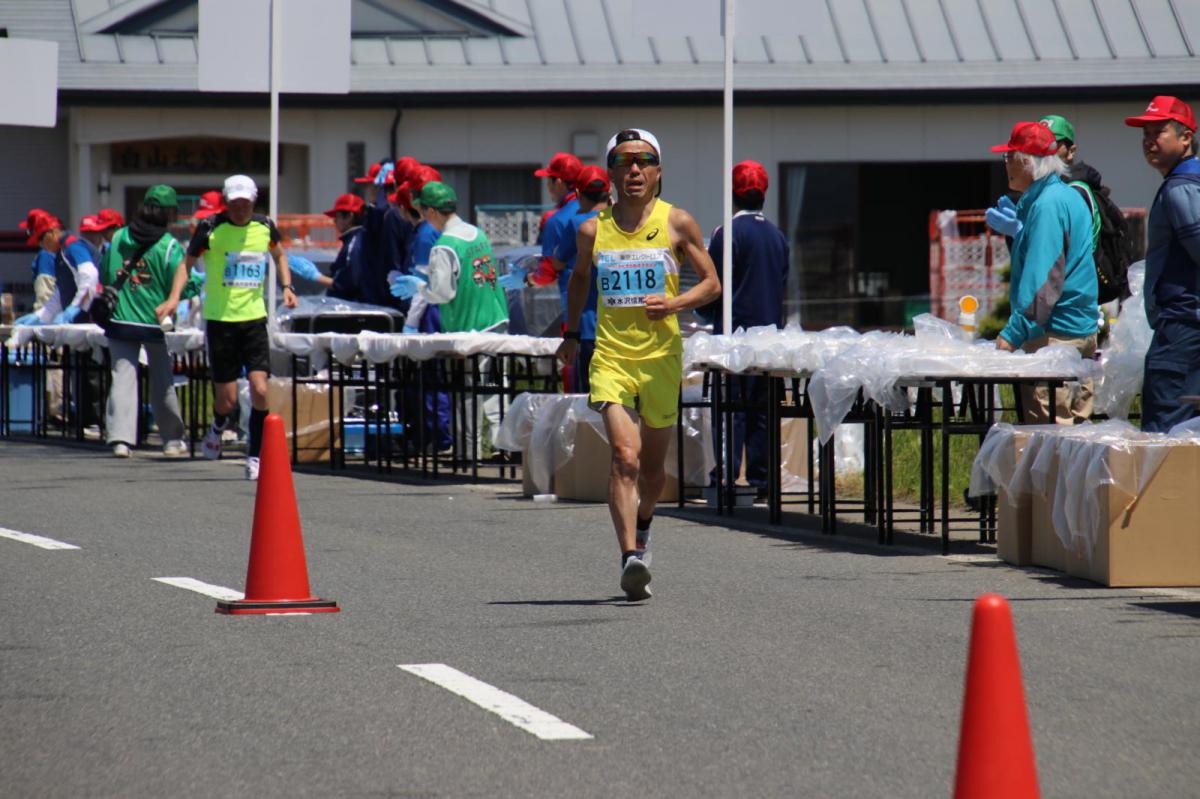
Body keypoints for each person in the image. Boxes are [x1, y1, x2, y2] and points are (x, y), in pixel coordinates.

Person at [557, 128, 721, 601]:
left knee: (653, 470)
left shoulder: (678, 223)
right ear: (610, 171)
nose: (634, 169)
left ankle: (644, 526)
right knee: (623, 458)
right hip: (610, 354)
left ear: (658, 171)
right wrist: (570, 334)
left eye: (644, 161)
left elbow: (712, 285)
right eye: (624, 161)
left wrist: (674, 305)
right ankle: (630, 557)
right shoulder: (591, 229)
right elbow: (580, 280)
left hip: (661, 358)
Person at [156, 174, 297, 480]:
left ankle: (256, 454)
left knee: (261, 389)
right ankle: (218, 425)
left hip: (254, 320)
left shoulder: (265, 226)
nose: (240, 209)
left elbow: (280, 254)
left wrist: (287, 286)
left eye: (245, 203)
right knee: (227, 399)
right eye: (234, 203)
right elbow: (187, 263)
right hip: (221, 321)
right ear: (226, 201)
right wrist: (174, 297)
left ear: (254, 201)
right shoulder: (210, 228)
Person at [986, 121, 1099, 424]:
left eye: (1009, 157)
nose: (1006, 164)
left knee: (1052, 443)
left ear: (1026, 160)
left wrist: (1012, 334)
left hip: (1054, 338)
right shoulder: (1065, 196)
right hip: (1078, 332)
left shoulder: (1047, 205)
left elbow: (1044, 280)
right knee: (1078, 444)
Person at [392, 181, 509, 457]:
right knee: (494, 391)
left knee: (465, 394)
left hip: (468, 332)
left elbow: (442, 293)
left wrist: (419, 287)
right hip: (497, 322)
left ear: (431, 211)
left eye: (421, 211)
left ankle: (469, 455)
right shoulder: (477, 234)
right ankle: (507, 451)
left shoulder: (444, 246)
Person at [703, 160, 790, 499]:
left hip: (733, 336)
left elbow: (714, 287)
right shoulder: (777, 236)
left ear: (732, 194)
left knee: (731, 410)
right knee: (763, 413)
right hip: (769, 337)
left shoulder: (726, 233)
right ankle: (763, 481)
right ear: (763, 194)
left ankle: (724, 476)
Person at [1124, 96, 1200, 432]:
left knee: (1164, 432)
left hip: (1183, 327)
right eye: (1146, 134)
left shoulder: (1181, 188)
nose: (1149, 141)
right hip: (1187, 324)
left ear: (1186, 138)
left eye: (1159, 132)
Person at [100, 185, 189, 458]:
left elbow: (106, 275)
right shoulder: (169, 245)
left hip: (120, 319)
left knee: (123, 377)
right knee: (162, 379)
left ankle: (121, 440)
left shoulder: (118, 238)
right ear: (169, 212)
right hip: (156, 321)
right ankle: (171, 440)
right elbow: (185, 282)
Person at [542, 165, 610, 392]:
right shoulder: (622, 222)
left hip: (588, 325)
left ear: (578, 194)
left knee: (589, 399)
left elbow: (557, 261)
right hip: (620, 327)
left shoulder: (577, 224)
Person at [531, 152, 582, 290]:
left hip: (573, 296)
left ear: (558, 183)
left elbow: (547, 272)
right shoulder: (599, 209)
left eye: (548, 181)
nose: (548, 187)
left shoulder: (555, 218)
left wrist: (528, 279)